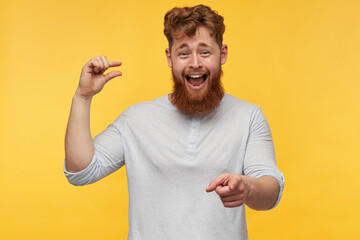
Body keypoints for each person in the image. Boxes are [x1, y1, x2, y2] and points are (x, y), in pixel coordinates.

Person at [64, 4, 284, 240]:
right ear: (170, 58)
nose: (195, 63)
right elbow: (81, 172)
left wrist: (246, 187)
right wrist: (82, 97)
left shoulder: (248, 116)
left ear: (223, 54)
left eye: (205, 52)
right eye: (183, 53)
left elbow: (270, 193)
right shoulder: (137, 119)